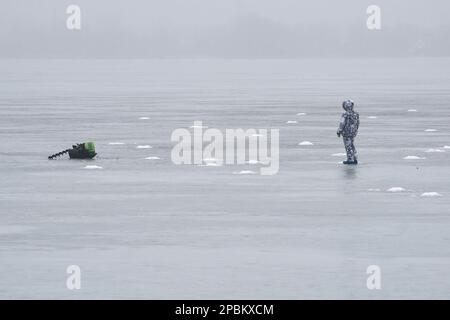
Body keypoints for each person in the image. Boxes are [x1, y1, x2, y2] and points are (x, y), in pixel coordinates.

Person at [337, 99, 360, 165]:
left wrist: (339, 131)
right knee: (352, 145)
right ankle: (355, 158)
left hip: (346, 133)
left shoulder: (345, 114)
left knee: (348, 146)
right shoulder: (356, 114)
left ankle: (350, 159)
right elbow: (358, 123)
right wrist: (356, 130)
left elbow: (342, 123)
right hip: (353, 132)